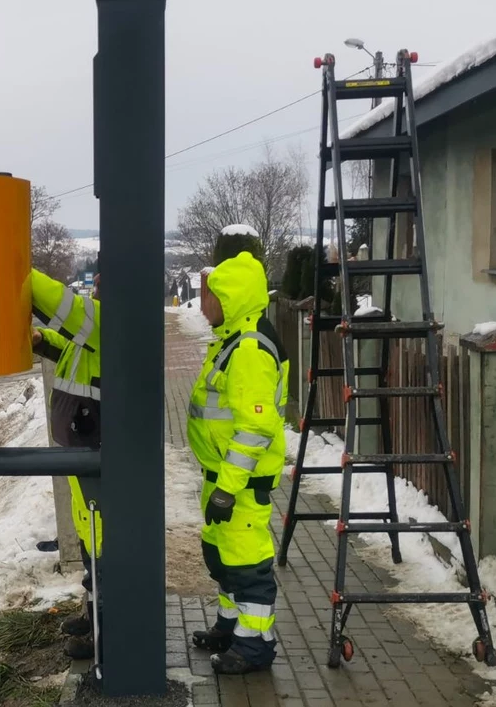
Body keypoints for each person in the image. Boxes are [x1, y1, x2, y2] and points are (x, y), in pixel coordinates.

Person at [187, 249, 289, 675]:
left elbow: (254, 429)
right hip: (223, 479)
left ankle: (254, 648)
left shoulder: (248, 350)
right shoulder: (232, 341)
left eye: (208, 296)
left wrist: (228, 488)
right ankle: (229, 628)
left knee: (248, 568)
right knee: (222, 559)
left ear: (231, 298)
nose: (202, 303)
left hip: (239, 486)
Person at [30, 261, 102, 661]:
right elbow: (71, 348)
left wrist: (17, 272)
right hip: (82, 449)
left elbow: (66, 307)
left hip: (97, 451)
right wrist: (41, 341)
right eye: (99, 279)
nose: (99, 286)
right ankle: (95, 616)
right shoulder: (93, 333)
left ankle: (106, 633)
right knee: (91, 540)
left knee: (104, 543)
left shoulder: (110, 321)